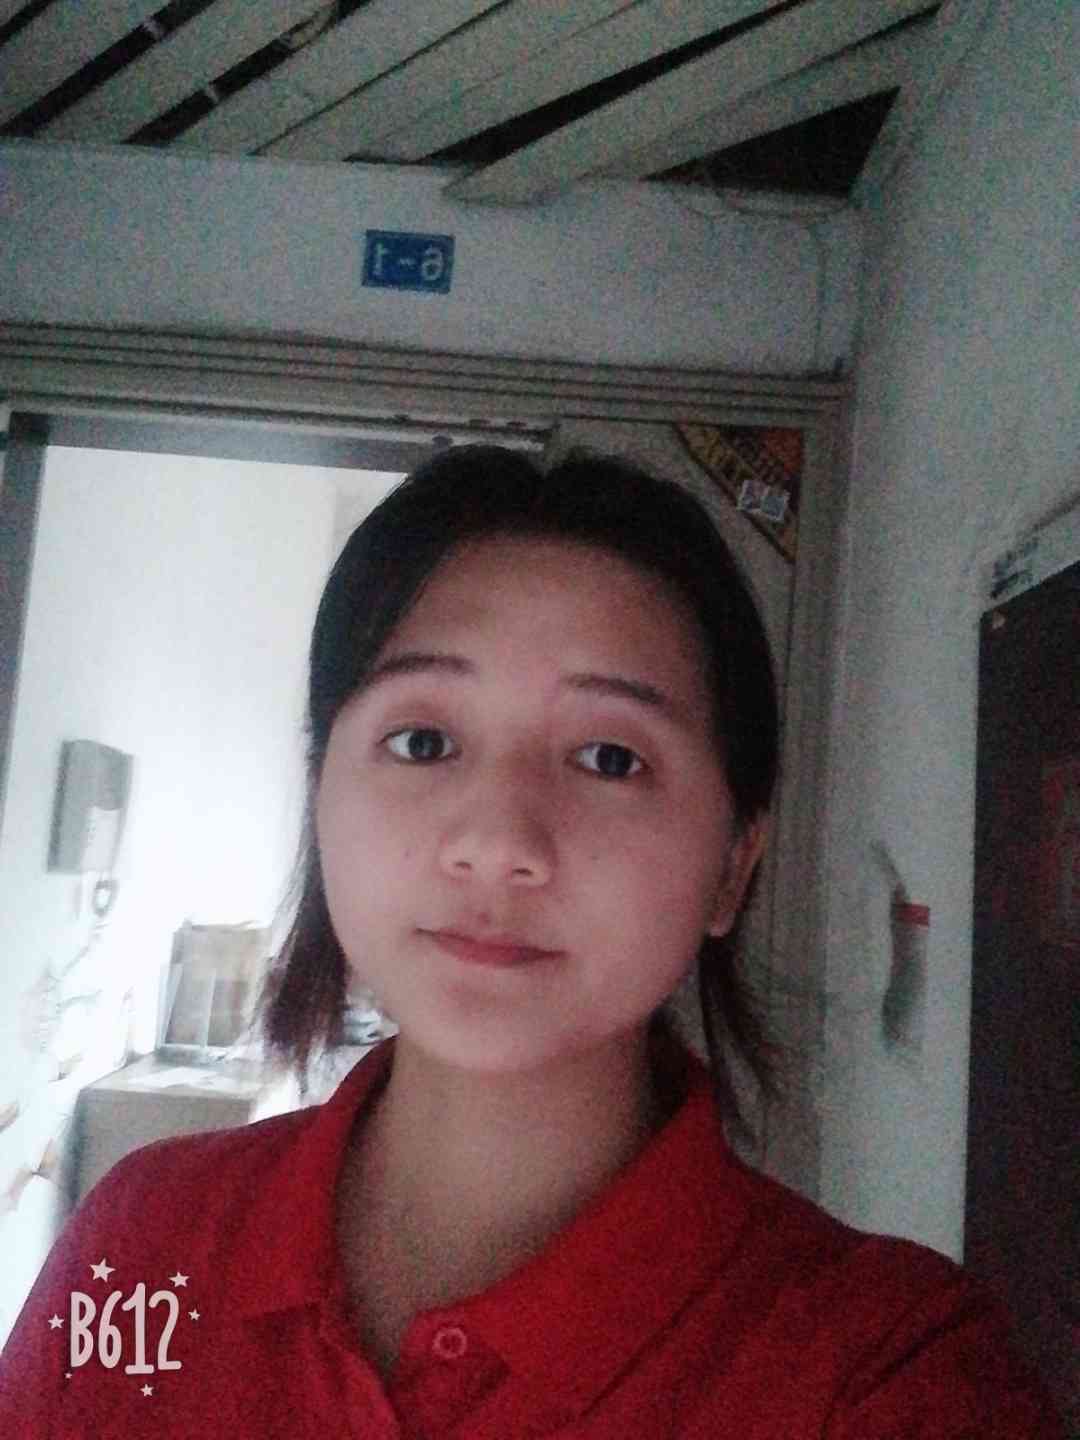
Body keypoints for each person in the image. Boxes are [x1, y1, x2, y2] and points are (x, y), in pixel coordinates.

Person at [0, 446, 1061, 1438]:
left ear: (734, 866)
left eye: (610, 758)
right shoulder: (139, 1243)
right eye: (423, 741)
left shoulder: (886, 1371)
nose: (499, 843)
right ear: (321, 791)